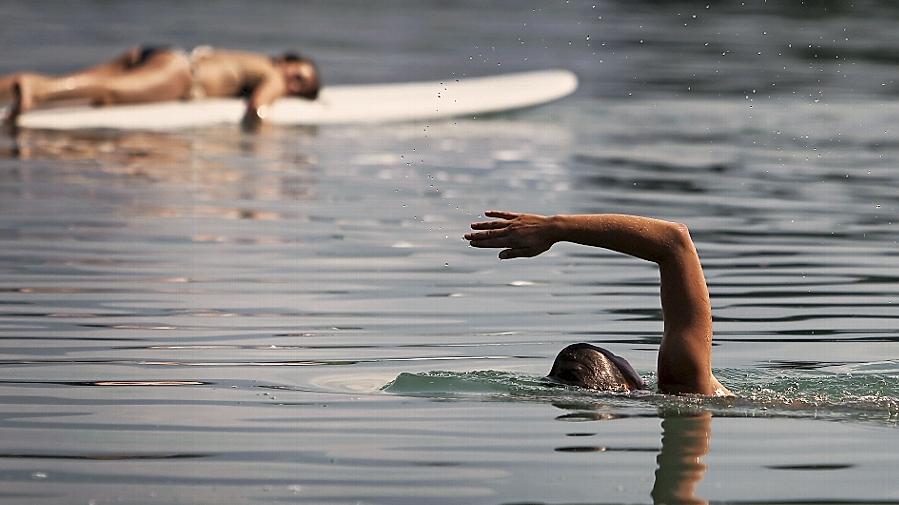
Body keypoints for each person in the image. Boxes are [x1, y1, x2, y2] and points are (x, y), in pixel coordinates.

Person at [464, 210, 731, 396]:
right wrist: (555, 228)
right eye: (617, 358)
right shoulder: (685, 385)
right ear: (626, 384)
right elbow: (674, 241)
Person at [1, 45, 321, 129]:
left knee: (76, 82)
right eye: (299, 74)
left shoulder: (253, 59)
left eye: (301, 86)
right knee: (106, 92)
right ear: (287, 62)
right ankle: (36, 92)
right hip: (179, 73)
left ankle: (26, 87)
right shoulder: (273, 75)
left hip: (160, 55)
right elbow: (258, 107)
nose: (293, 83)